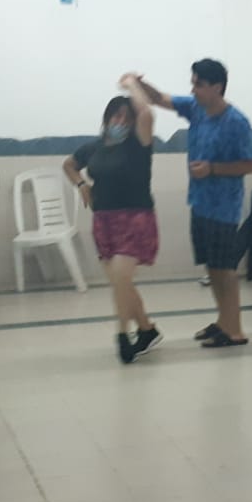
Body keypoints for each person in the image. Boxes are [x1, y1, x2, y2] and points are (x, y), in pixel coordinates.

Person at [133, 60, 252, 349]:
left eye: (198, 84)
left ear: (217, 87)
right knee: (212, 268)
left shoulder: (236, 122)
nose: (193, 90)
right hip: (200, 202)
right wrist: (139, 84)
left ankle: (235, 330)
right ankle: (223, 321)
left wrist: (212, 169)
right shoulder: (196, 108)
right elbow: (159, 98)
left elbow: (250, 165)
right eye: (193, 83)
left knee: (225, 269)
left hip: (223, 207)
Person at [63, 79, 163, 364]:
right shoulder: (94, 147)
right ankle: (147, 329)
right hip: (104, 220)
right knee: (121, 283)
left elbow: (147, 114)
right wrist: (81, 184)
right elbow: (69, 165)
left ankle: (122, 334)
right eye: (116, 116)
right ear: (106, 118)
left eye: (126, 118)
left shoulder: (139, 144)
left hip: (136, 219)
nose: (121, 122)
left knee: (121, 277)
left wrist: (132, 85)